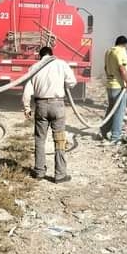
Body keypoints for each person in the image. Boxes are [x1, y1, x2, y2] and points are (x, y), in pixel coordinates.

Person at [22, 47, 76, 183]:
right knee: (59, 140)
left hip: (41, 106)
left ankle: (39, 171)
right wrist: (62, 85)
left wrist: (27, 107)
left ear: (40, 56)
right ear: (52, 54)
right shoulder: (61, 64)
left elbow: (27, 89)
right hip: (57, 105)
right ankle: (60, 175)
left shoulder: (34, 67)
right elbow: (72, 82)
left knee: (40, 139)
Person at [100, 36, 127, 143]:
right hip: (118, 86)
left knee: (111, 109)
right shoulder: (120, 51)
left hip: (110, 85)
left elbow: (105, 68)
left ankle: (104, 129)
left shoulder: (109, 51)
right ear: (125, 44)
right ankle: (116, 137)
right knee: (119, 112)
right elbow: (122, 69)